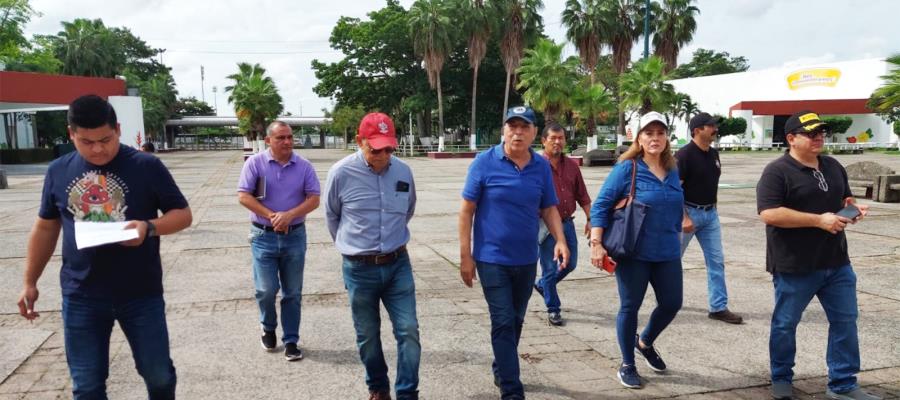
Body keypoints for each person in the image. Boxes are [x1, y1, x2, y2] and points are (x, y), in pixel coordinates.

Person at [16, 94, 192, 399]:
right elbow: (46, 227)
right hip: (81, 294)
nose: (98, 149)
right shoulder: (58, 170)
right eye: (86, 141)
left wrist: (148, 227)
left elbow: (183, 215)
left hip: (140, 293)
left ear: (118, 129)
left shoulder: (146, 165)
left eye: (105, 139)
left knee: (159, 375)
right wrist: (29, 282)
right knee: (86, 386)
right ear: (71, 133)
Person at [757, 110, 880, 400]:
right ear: (791, 138)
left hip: (836, 263)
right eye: (811, 133)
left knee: (845, 321)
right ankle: (782, 378)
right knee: (786, 324)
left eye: (820, 132)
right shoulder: (777, 171)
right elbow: (769, 213)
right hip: (795, 265)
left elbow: (843, 199)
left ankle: (843, 383)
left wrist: (852, 210)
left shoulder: (833, 165)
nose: (818, 137)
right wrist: (818, 220)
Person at [458, 106, 570, 400]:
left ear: (534, 133)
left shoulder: (541, 166)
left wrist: (560, 239)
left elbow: (548, 208)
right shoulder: (484, 163)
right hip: (490, 258)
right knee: (503, 320)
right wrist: (465, 256)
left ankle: (501, 366)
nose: (517, 132)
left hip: (525, 258)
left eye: (524, 127)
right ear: (503, 130)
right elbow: (466, 211)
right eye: (512, 126)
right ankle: (512, 390)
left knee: (517, 319)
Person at [325, 112, 420, 400]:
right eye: (375, 148)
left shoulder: (403, 171)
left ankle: (407, 393)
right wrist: (354, 249)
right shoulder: (341, 173)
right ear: (359, 141)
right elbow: (332, 217)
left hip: (397, 264)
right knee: (367, 335)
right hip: (359, 268)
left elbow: (409, 209)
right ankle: (378, 387)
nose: (383, 155)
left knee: (408, 330)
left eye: (389, 148)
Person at [589, 111, 684, 389]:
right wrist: (596, 244)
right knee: (630, 307)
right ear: (639, 138)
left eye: (660, 133)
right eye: (649, 133)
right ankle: (627, 364)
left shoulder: (672, 169)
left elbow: (676, 204)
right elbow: (601, 206)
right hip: (633, 252)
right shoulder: (627, 168)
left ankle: (644, 342)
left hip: (667, 251)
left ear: (666, 137)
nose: (655, 138)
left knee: (671, 303)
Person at [237, 121, 320, 361]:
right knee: (266, 289)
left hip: (294, 235)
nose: (287, 142)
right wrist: (272, 216)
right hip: (263, 236)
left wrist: (290, 215)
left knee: (292, 292)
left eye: (290, 137)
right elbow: (244, 196)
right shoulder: (255, 164)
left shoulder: (303, 166)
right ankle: (268, 326)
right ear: (268, 140)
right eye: (281, 138)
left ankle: (291, 340)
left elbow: (314, 198)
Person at [675, 112, 743, 324]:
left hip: (710, 215)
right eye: (710, 126)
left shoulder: (714, 154)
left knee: (716, 261)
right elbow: (674, 190)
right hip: (688, 214)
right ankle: (667, 300)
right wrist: (684, 217)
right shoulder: (684, 156)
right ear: (697, 130)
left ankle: (718, 307)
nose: (715, 128)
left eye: (714, 125)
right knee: (671, 261)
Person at [535, 123, 591, 326]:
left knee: (571, 263)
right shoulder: (535, 165)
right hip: (545, 225)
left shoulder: (572, 167)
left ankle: (542, 285)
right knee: (549, 268)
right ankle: (553, 308)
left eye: (561, 138)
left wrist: (591, 218)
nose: (558, 142)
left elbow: (583, 196)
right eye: (553, 138)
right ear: (543, 141)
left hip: (567, 223)